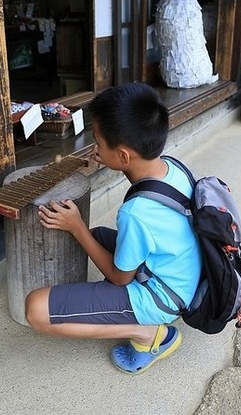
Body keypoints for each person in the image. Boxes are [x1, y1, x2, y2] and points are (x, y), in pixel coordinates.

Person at [24, 82, 202, 375]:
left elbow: (119, 279)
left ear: (123, 155)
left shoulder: (136, 213)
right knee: (99, 239)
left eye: (98, 142)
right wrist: (106, 160)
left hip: (165, 297)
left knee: (36, 309)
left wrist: (76, 226)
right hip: (183, 276)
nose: (95, 148)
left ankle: (148, 334)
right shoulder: (171, 167)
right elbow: (137, 177)